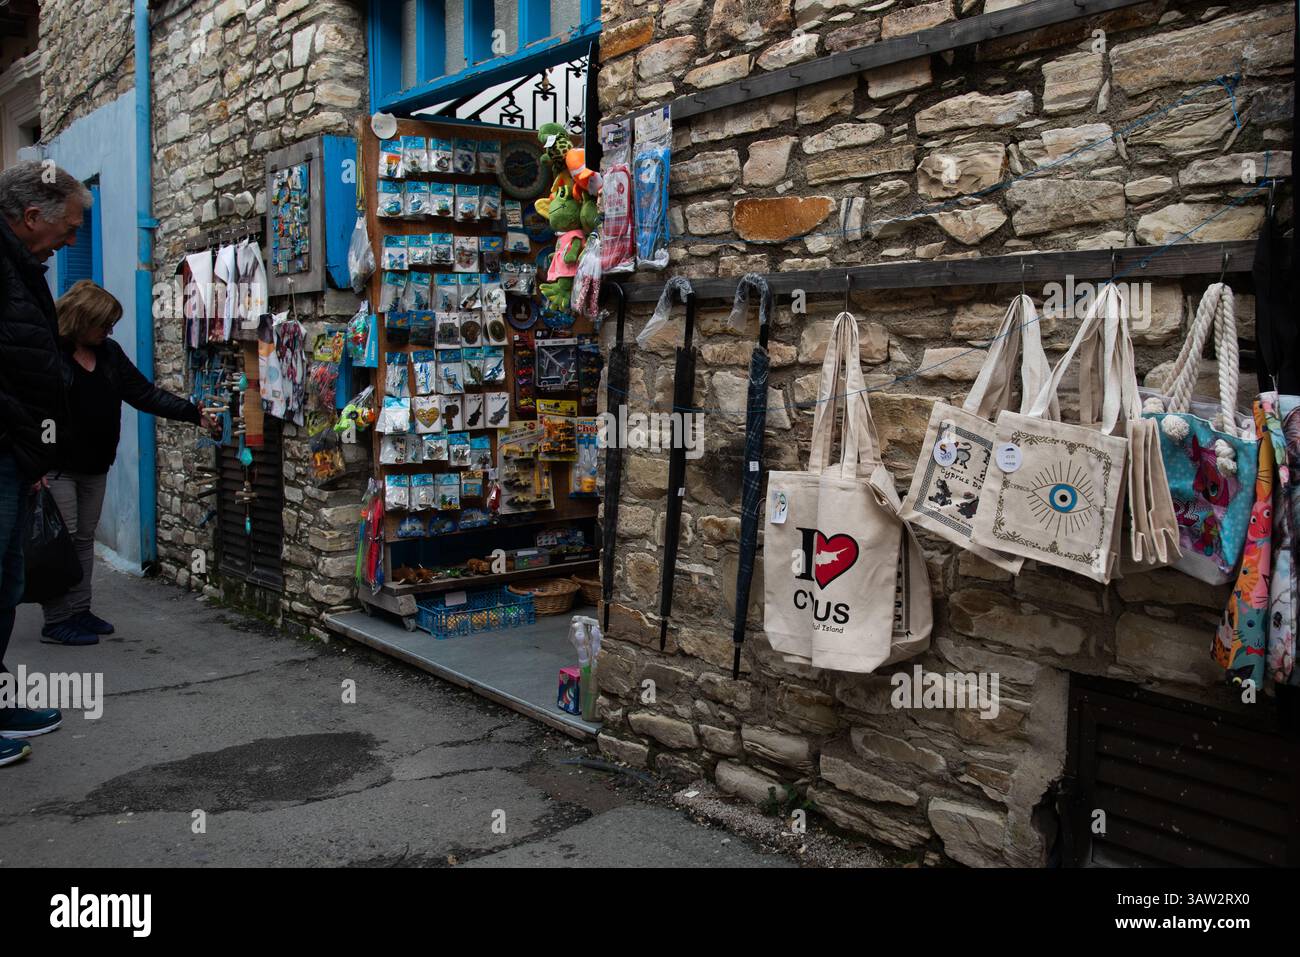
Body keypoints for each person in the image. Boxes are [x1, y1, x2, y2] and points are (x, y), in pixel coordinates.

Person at [40, 280, 216, 647]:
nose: (109, 331)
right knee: (63, 542)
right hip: (56, 466)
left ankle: (79, 610)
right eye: (103, 324)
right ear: (79, 319)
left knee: (83, 539)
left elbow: (143, 393)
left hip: (95, 464)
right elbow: (35, 412)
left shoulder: (109, 354)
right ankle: (57, 619)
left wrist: (191, 413)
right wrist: (35, 462)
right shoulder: (49, 354)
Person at [0, 160, 89, 766]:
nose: (73, 240)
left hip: (15, 453)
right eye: (69, 227)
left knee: (6, 583)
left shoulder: (20, 266)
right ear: (32, 217)